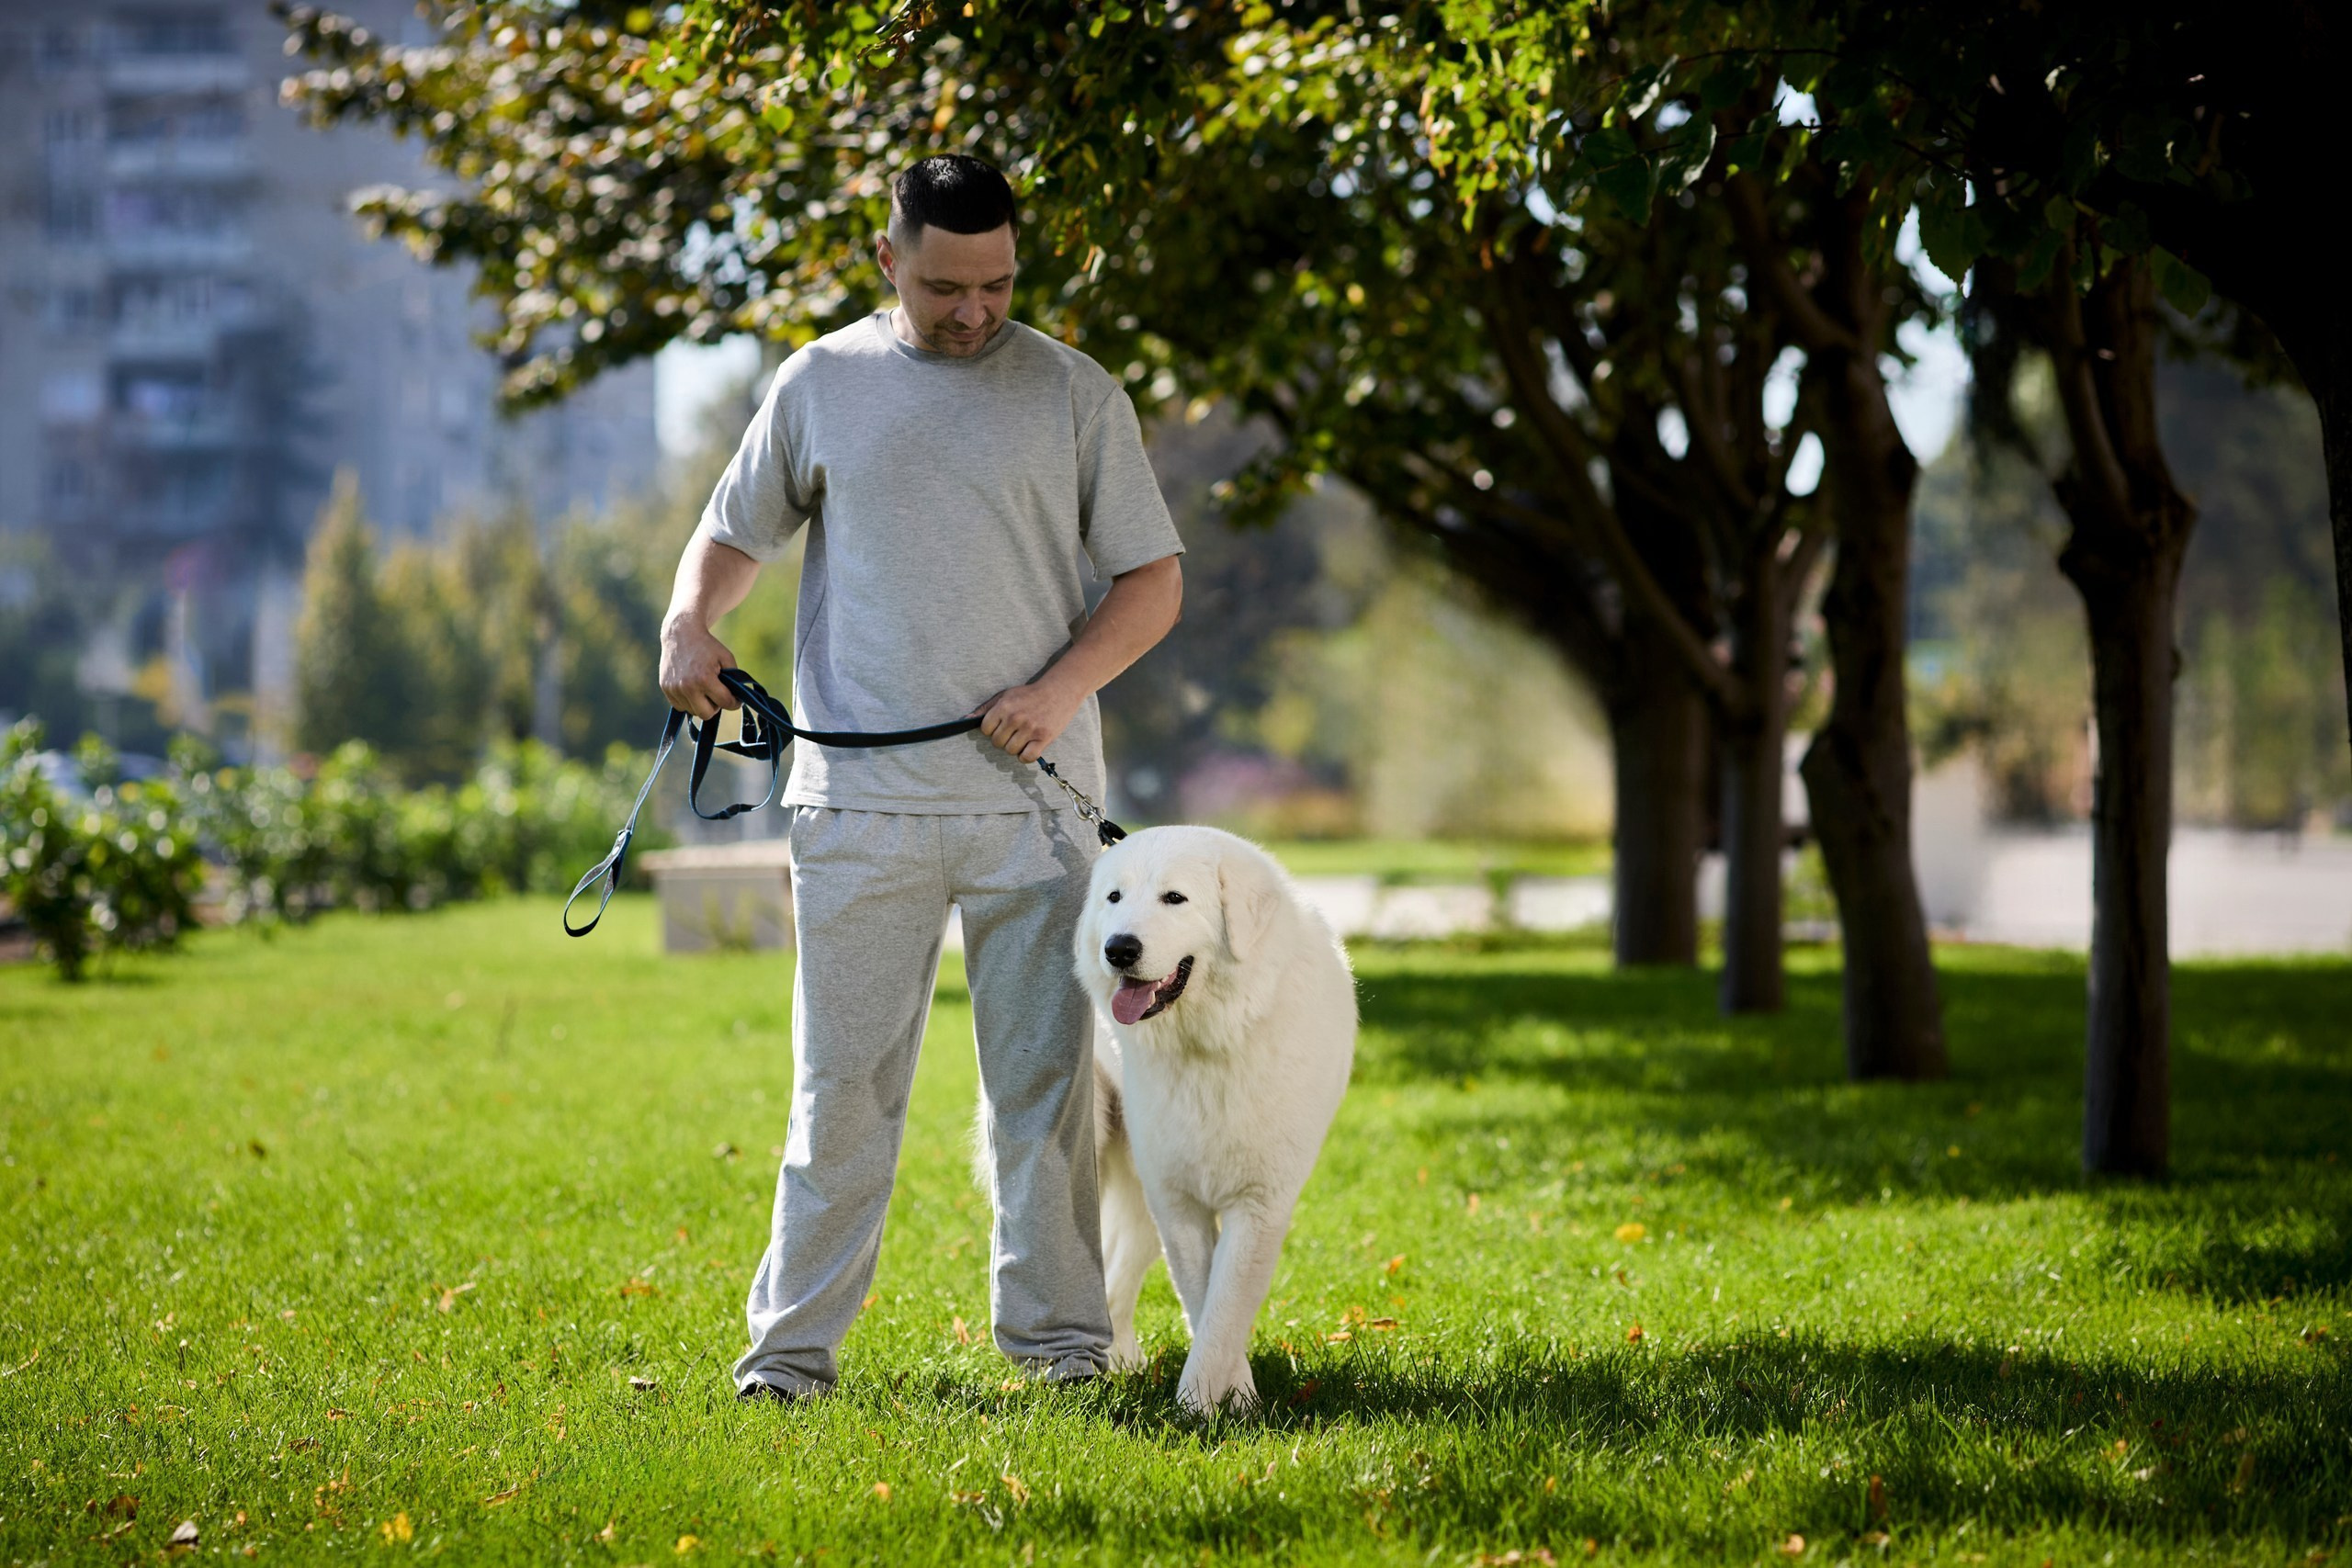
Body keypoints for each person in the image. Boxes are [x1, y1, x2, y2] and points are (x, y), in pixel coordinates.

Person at [659, 152, 1185, 1400]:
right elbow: (732, 534)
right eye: (947, 285)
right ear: (887, 256)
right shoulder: (820, 384)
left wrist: (1057, 693)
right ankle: (789, 1360)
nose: (974, 310)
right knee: (837, 1099)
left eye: (998, 282)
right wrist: (689, 623)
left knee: (1048, 1103)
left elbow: (1153, 582)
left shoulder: (1073, 392)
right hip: (858, 810)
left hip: (1036, 813)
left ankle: (1062, 1350)